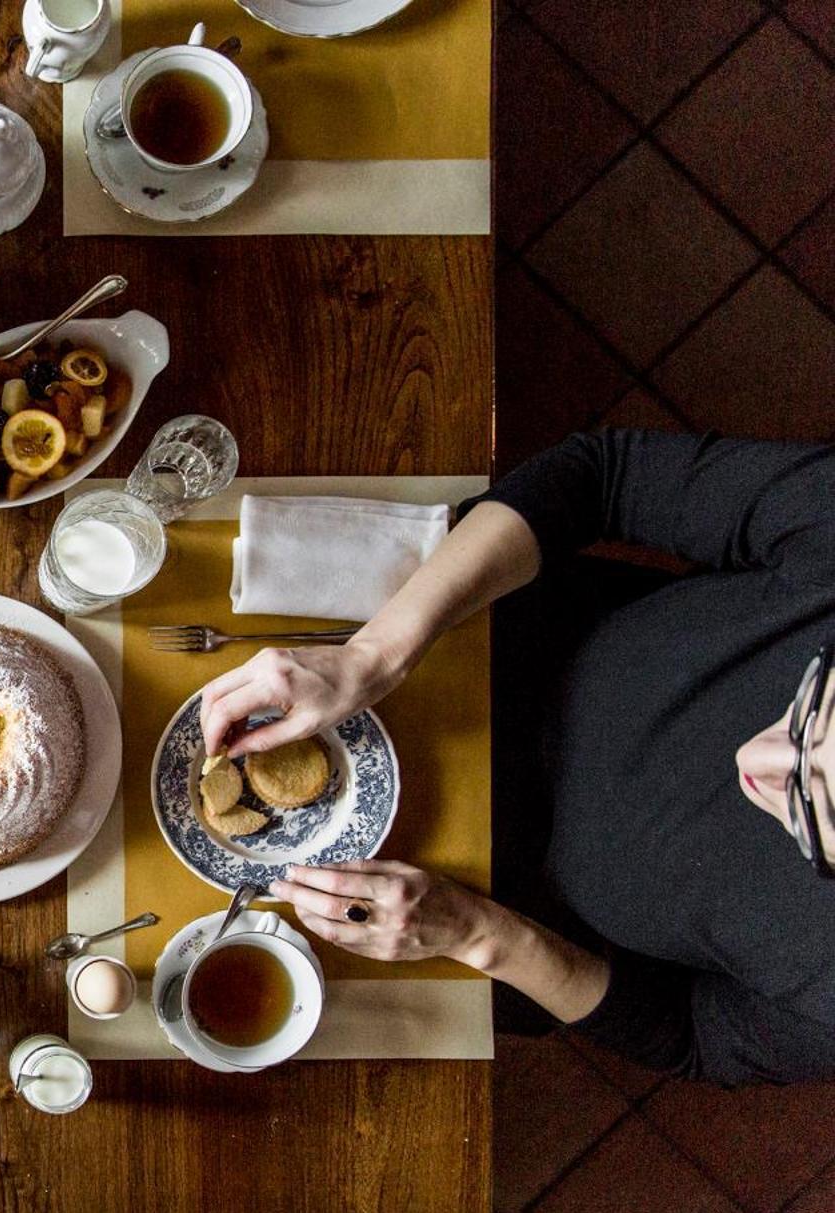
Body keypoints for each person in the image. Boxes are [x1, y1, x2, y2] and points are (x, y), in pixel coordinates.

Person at [200, 428, 835, 1086]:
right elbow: (604, 475)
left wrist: (482, 934)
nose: (756, 756)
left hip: (503, 904)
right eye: (817, 703)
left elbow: (693, 1036)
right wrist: (375, 654)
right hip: (483, 630)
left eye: (814, 807)